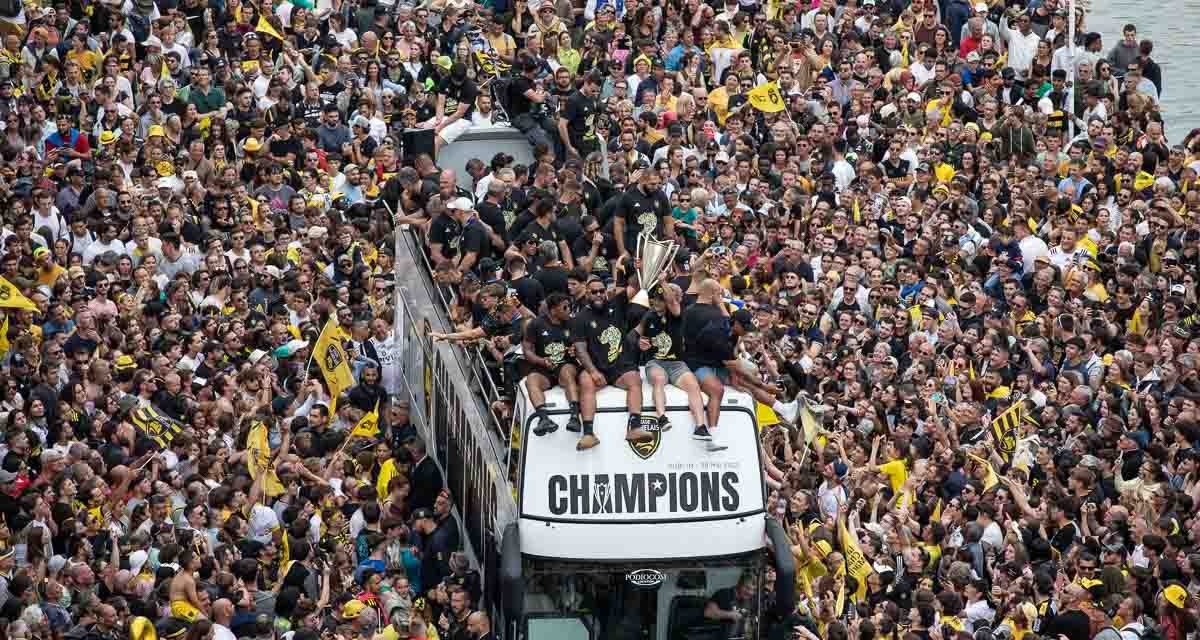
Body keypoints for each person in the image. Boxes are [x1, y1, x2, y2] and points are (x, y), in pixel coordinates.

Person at [571, 276, 651, 451]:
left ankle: (635, 427)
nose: (599, 295)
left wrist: (640, 268)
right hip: (596, 365)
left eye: (601, 291)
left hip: (620, 365)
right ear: (586, 294)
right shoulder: (580, 318)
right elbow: (580, 348)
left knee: (635, 379)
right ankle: (588, 434)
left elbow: (637, 284)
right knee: (585, 382)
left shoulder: (616, 305)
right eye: (594, 292)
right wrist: (592, 371)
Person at [524, 293, 581, 436]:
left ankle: (574, 416)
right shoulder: (536, 324)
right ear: (553, 310)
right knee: (531, 380)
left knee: (567, 373)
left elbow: (582, 345)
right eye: (565, 307)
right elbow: (527, 350)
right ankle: (544, 419)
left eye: (570, 307)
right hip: (544, 367)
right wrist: (541, 361)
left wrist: (575, 350)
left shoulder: (573, 323)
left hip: (565, 364)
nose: (569, 310)